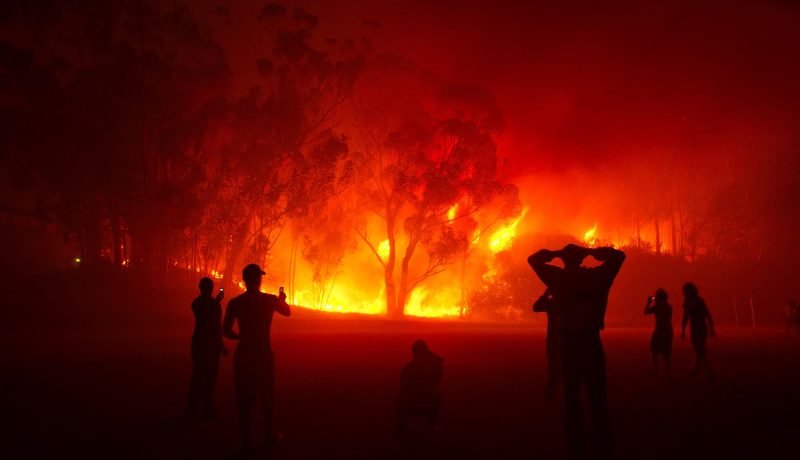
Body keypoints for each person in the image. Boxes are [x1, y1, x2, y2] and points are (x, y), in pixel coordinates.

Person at [528, 244, 625, 460]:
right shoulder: (598, 278)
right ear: (581, 259)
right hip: (590, 339)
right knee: (597, 393)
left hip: (568, 341)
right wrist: (593, 251)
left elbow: (533, 260)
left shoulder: (557, 279)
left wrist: (556, 253)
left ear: (564, 260)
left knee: (571, 394)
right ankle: (602, 439)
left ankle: (575, 442)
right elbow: (619, 256)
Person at [223, 264, 291, 454]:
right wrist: (282, 300)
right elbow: (287, 312)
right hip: (264, 354)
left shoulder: (236, 303)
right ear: (258, 279)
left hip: (244, 354)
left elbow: (226, 330)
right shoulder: (269, 300)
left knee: (244, 399)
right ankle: (269, 434)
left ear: (245, 279)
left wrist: (240, 337)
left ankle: (247, 441)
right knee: (267, 396)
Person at [186, 277, 228, 418]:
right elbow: (213, 324)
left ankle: (195, 407)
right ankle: (205, 408)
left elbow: (206, 316)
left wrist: (216, 302)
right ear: (209, 288)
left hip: (198, 343)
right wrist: (221, 345)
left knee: (199, 375)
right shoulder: (209, 304)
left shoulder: (197, 302)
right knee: (208, 376)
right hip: (209, 344)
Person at [397, 340, 444, 437]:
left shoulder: (407, 367)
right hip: (426, 404)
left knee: (400, 395)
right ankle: (432, 426)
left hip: (408, 404)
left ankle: (401, 428)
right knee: (437, 395)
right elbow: (437, 381)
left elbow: (402, 384)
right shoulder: (431, 367)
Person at [680, 282, 715, 379]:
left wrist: (711, 328)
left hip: (700, 328)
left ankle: (709, 372)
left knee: (700, 349)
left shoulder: (697, 301)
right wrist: (683, 330)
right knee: (698, 349)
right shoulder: (691, 301)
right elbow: (686, 316)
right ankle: (695, 370)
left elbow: (706, 314)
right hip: (696, 328)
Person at [533, 288, 560, 398]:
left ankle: (551, 393)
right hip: (569, 337)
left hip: (554, 338)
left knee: (553, 367)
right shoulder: (569, 301)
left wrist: (545, 295)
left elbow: (536, 307)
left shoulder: (552, 303)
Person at [644, 289, 673, 377]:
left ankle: (660, 371)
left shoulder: (661, 307)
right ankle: (664, 372)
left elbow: (646, 312)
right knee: (661, 352)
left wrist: (650, 303)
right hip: (666, 331)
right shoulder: (668, 306)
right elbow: (646, 312)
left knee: (659, 351)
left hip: (662, 331)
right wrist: (650, 303)